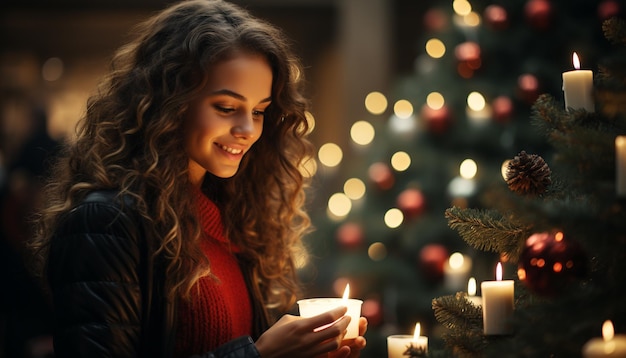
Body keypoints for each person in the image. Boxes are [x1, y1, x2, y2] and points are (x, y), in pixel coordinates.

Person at [29, 0, 367, 357]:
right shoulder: (105, 223)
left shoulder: (237, 219)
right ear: (169, 102)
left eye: (259, 111)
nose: (247, 130)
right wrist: (260, 355)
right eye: (226, 108)